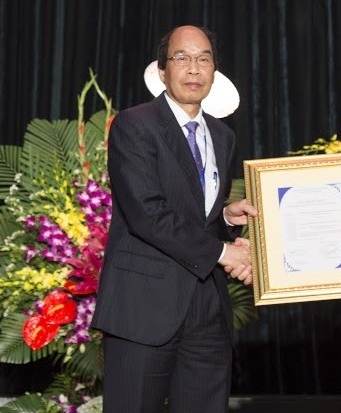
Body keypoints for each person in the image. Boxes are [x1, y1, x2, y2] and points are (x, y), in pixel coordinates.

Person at [91, 25, 257, 413]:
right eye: (181, 58)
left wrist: (227, 220)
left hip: (207, 309)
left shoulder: (221, 135)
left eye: (204, 58)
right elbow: (147, 214)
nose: (193, 68)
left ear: (215, 70)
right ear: (163, 71)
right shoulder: (135, 124)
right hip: (144, 307)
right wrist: (225, 252)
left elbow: (197, 214)